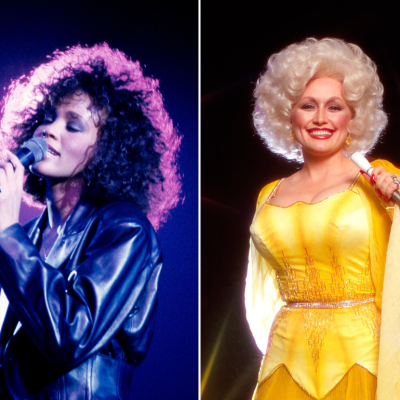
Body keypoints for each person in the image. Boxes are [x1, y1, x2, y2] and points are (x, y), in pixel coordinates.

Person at [0, 43, 181, 399]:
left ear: (107, 149)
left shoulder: (125, 230)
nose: (50, 130)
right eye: (49, 117)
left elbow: (71, 335)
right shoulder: (27, 237)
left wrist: (7, 235)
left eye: (73, 125)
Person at [246, 38, 400, 400]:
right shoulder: (267, 195)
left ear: (354, 116)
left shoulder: (379, 180)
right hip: (284, 366)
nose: (320, 119)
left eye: (335, 106)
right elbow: (260, 295)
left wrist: (396, 203)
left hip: (361, 364)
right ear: (287, 113)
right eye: (307, 105)